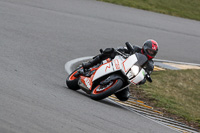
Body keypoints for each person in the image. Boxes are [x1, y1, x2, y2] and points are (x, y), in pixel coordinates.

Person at [82, 39, 159, 101]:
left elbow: (146, 75)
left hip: (128, 76)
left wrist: (142, 80)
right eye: (150, 51)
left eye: (153, 52)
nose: (151, 53)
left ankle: (111, 87)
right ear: (144, 48)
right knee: (110, 51)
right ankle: (89, 64)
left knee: (124, 97)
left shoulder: (150, 65)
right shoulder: (136, 49)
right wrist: (121, 50)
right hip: (121, 64)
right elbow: (123, 48)